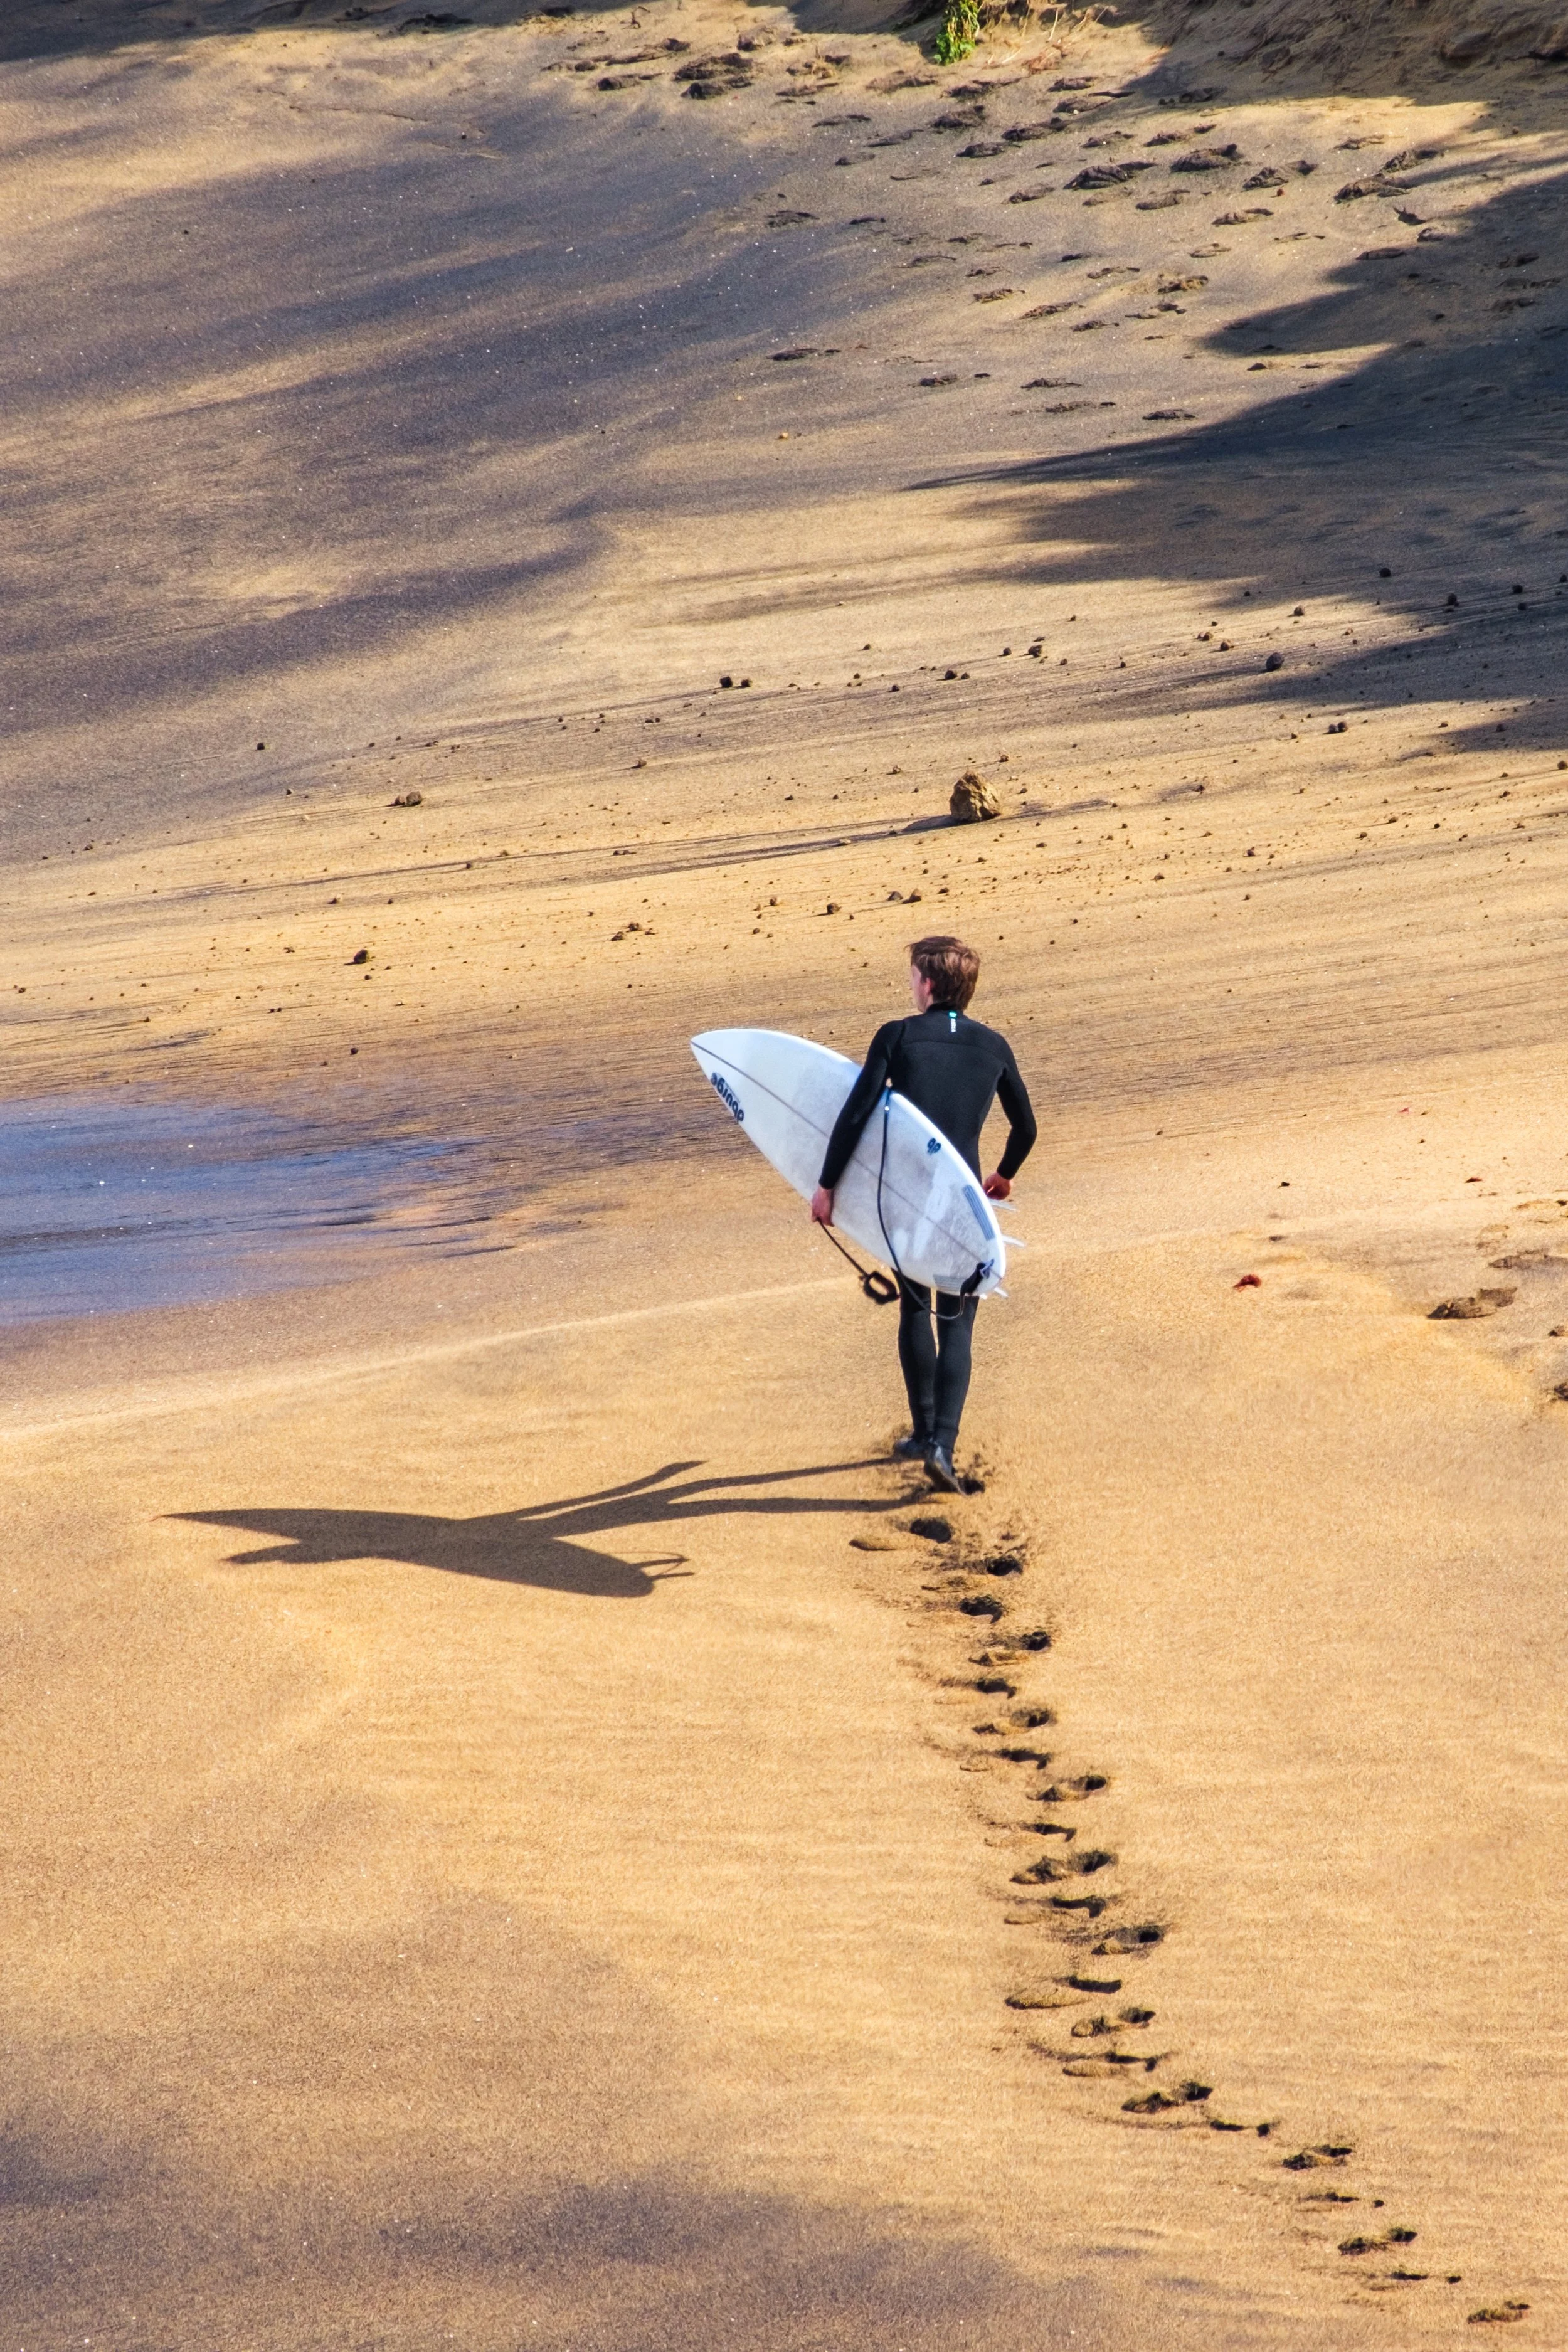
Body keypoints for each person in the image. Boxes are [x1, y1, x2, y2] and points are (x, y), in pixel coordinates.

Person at [810, 936, 1036, 1493]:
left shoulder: (899, 1036)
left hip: (908, 1200)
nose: (910, 986)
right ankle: (943, 1445)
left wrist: (826, 1185)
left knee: (915, 1311)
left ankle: (920, 1432)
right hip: (961, 1203)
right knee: (956, 1319)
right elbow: (1026, 1127)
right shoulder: (993, 1046)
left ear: (928, 984)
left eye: (912, 977)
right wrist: (1004, 1174)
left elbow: (857, 1112)